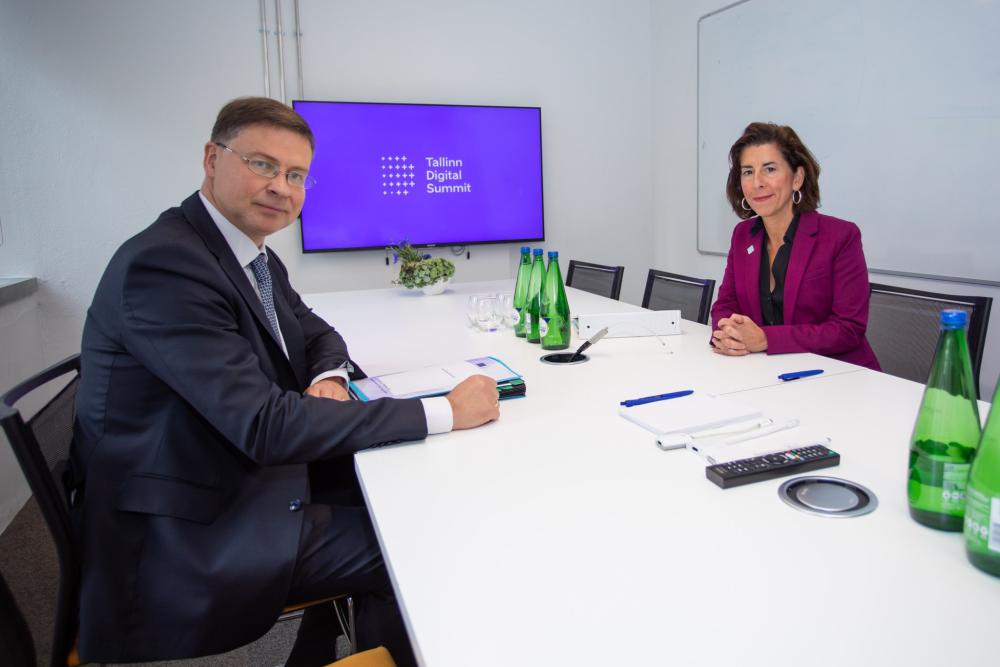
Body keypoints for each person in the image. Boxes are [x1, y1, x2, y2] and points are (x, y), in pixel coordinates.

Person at [70, 97, 500, 666]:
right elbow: (266, 426)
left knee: (408, 488)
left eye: (296, 175)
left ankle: (345, 644)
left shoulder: (249, 256)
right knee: (418, 535)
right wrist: (443, 411)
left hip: (224, 472)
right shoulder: (166, 266)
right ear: (211, 158)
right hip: (190, 530)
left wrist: (326, 377)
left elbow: (319, 333)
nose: (282, 187)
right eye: (263, 165)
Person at [709, 122, 880, 370]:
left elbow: (848, 328)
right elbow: (725, 304)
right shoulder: (743, 235)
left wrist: (766, 339)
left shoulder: (841, 236)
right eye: (747, 172)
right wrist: (727, 333)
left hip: (838, 376)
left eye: (769, 169)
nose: (757, 182)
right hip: (769, 373)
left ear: (797, 178)